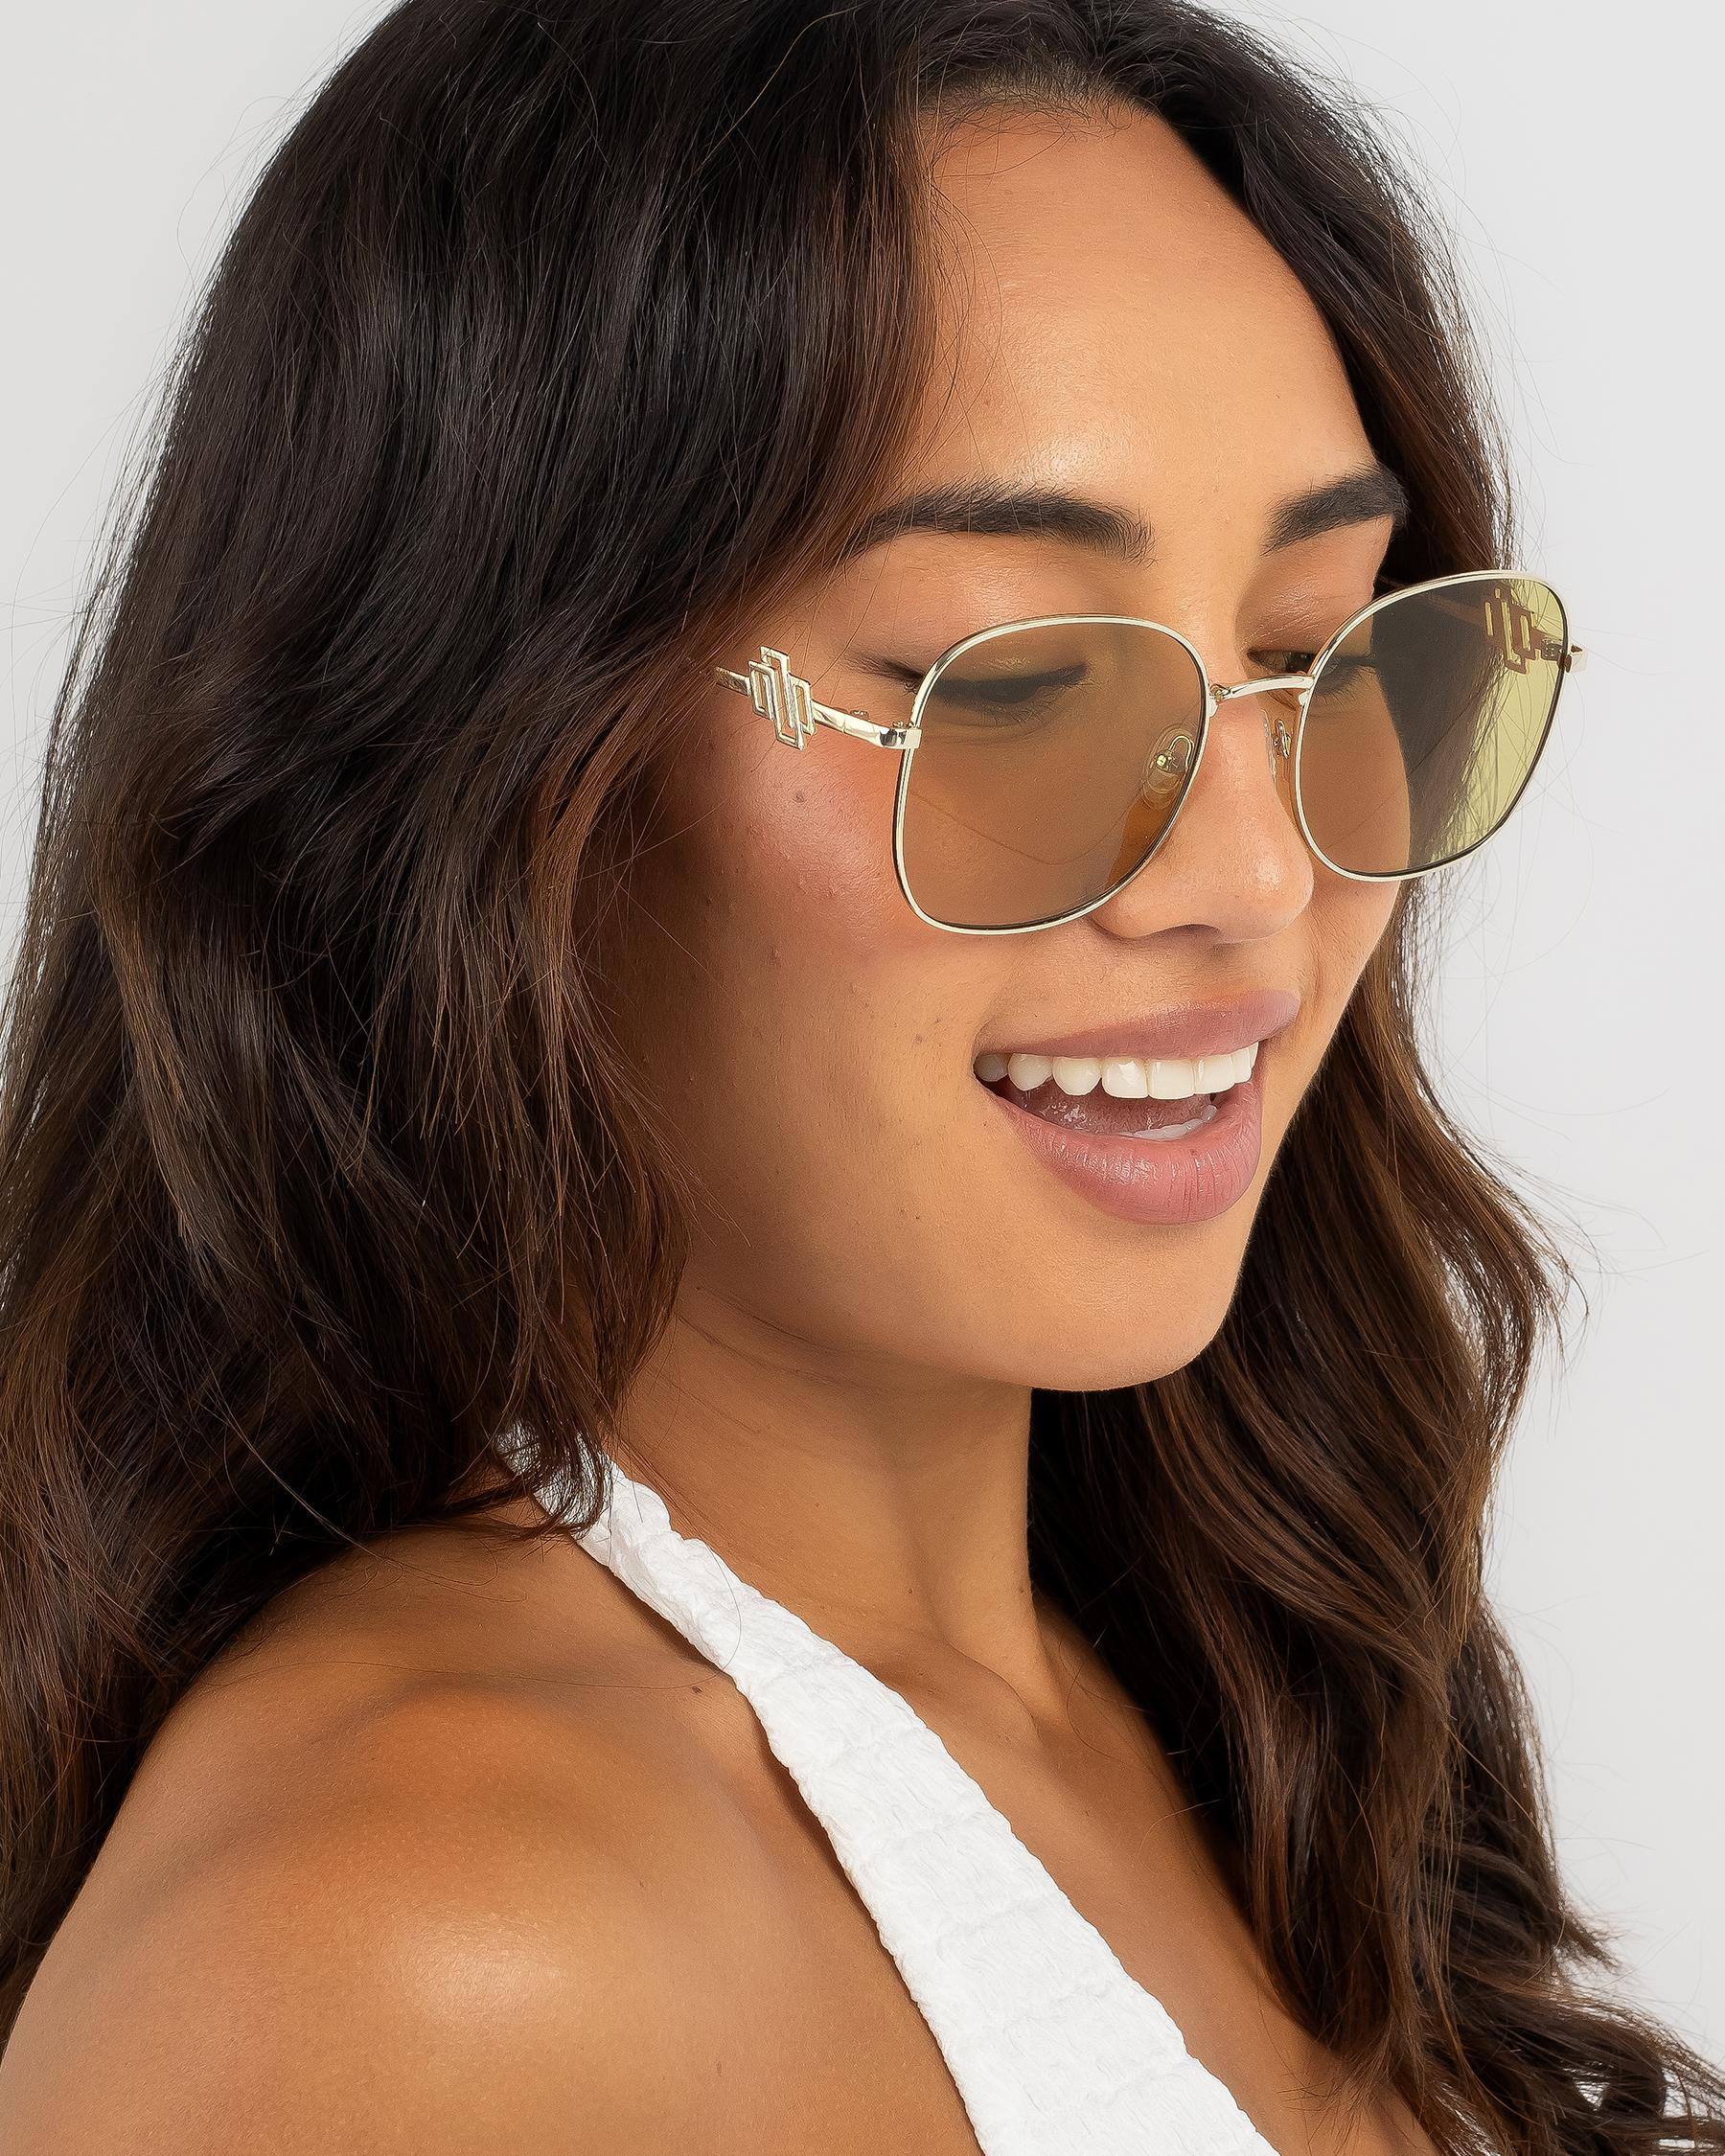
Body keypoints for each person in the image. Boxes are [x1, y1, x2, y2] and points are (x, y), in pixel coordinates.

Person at [0, 3, 1717, 2152]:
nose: (1257, 877)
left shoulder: (1245, 1697)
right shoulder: (430, 1947)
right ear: (500, 753)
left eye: (1309, 652)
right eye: (1010, 683)